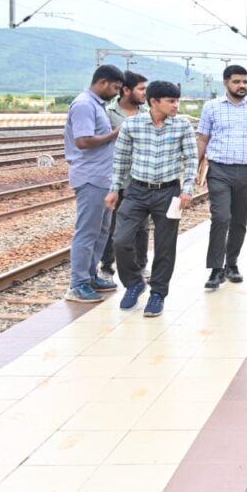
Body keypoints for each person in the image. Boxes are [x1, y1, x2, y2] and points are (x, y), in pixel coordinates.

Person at [106, 81, 199, 317]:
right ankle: (135, 283)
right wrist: (115, 188)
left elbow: (191, 159)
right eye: (171, 101)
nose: (176, 105)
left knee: (165, 246)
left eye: (177, 100)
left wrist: (188, 189)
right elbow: (122, 159)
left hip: (168, 192)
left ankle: (158, 293)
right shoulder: (132, 125)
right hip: (136, 191)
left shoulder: (182, 126)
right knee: (121, 239)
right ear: (154, 102)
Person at [196, 65, 247, 289]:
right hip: (219, 169)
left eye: (245, 81)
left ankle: (231, 263)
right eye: (236, 82)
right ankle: (216, 269)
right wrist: (196, 166)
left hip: (246, 169)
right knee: (221, 217)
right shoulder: (211, 107)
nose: (241, 86)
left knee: (239, 220)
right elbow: (203, 137)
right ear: (226, 83)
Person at [63, 65, 125, 303]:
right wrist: (115, 133)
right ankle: (77, 284)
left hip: (103, 177)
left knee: (101, 230)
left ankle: (89, 276)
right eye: (116, 87)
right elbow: (83, 141)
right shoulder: (84, 105)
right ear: (102, 82)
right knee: (87, 232)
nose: (117, 93)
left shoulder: (96, 105)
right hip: (90, 177)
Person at [99, 70, 150, 282]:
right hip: (116, 176)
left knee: (142, 226)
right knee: (111, 225)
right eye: (141, 89)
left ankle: (140, 265)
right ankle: (107, 267)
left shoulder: (148, 113)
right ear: (126, 90)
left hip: (141, 178)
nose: (144, 93)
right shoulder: (107, 112)